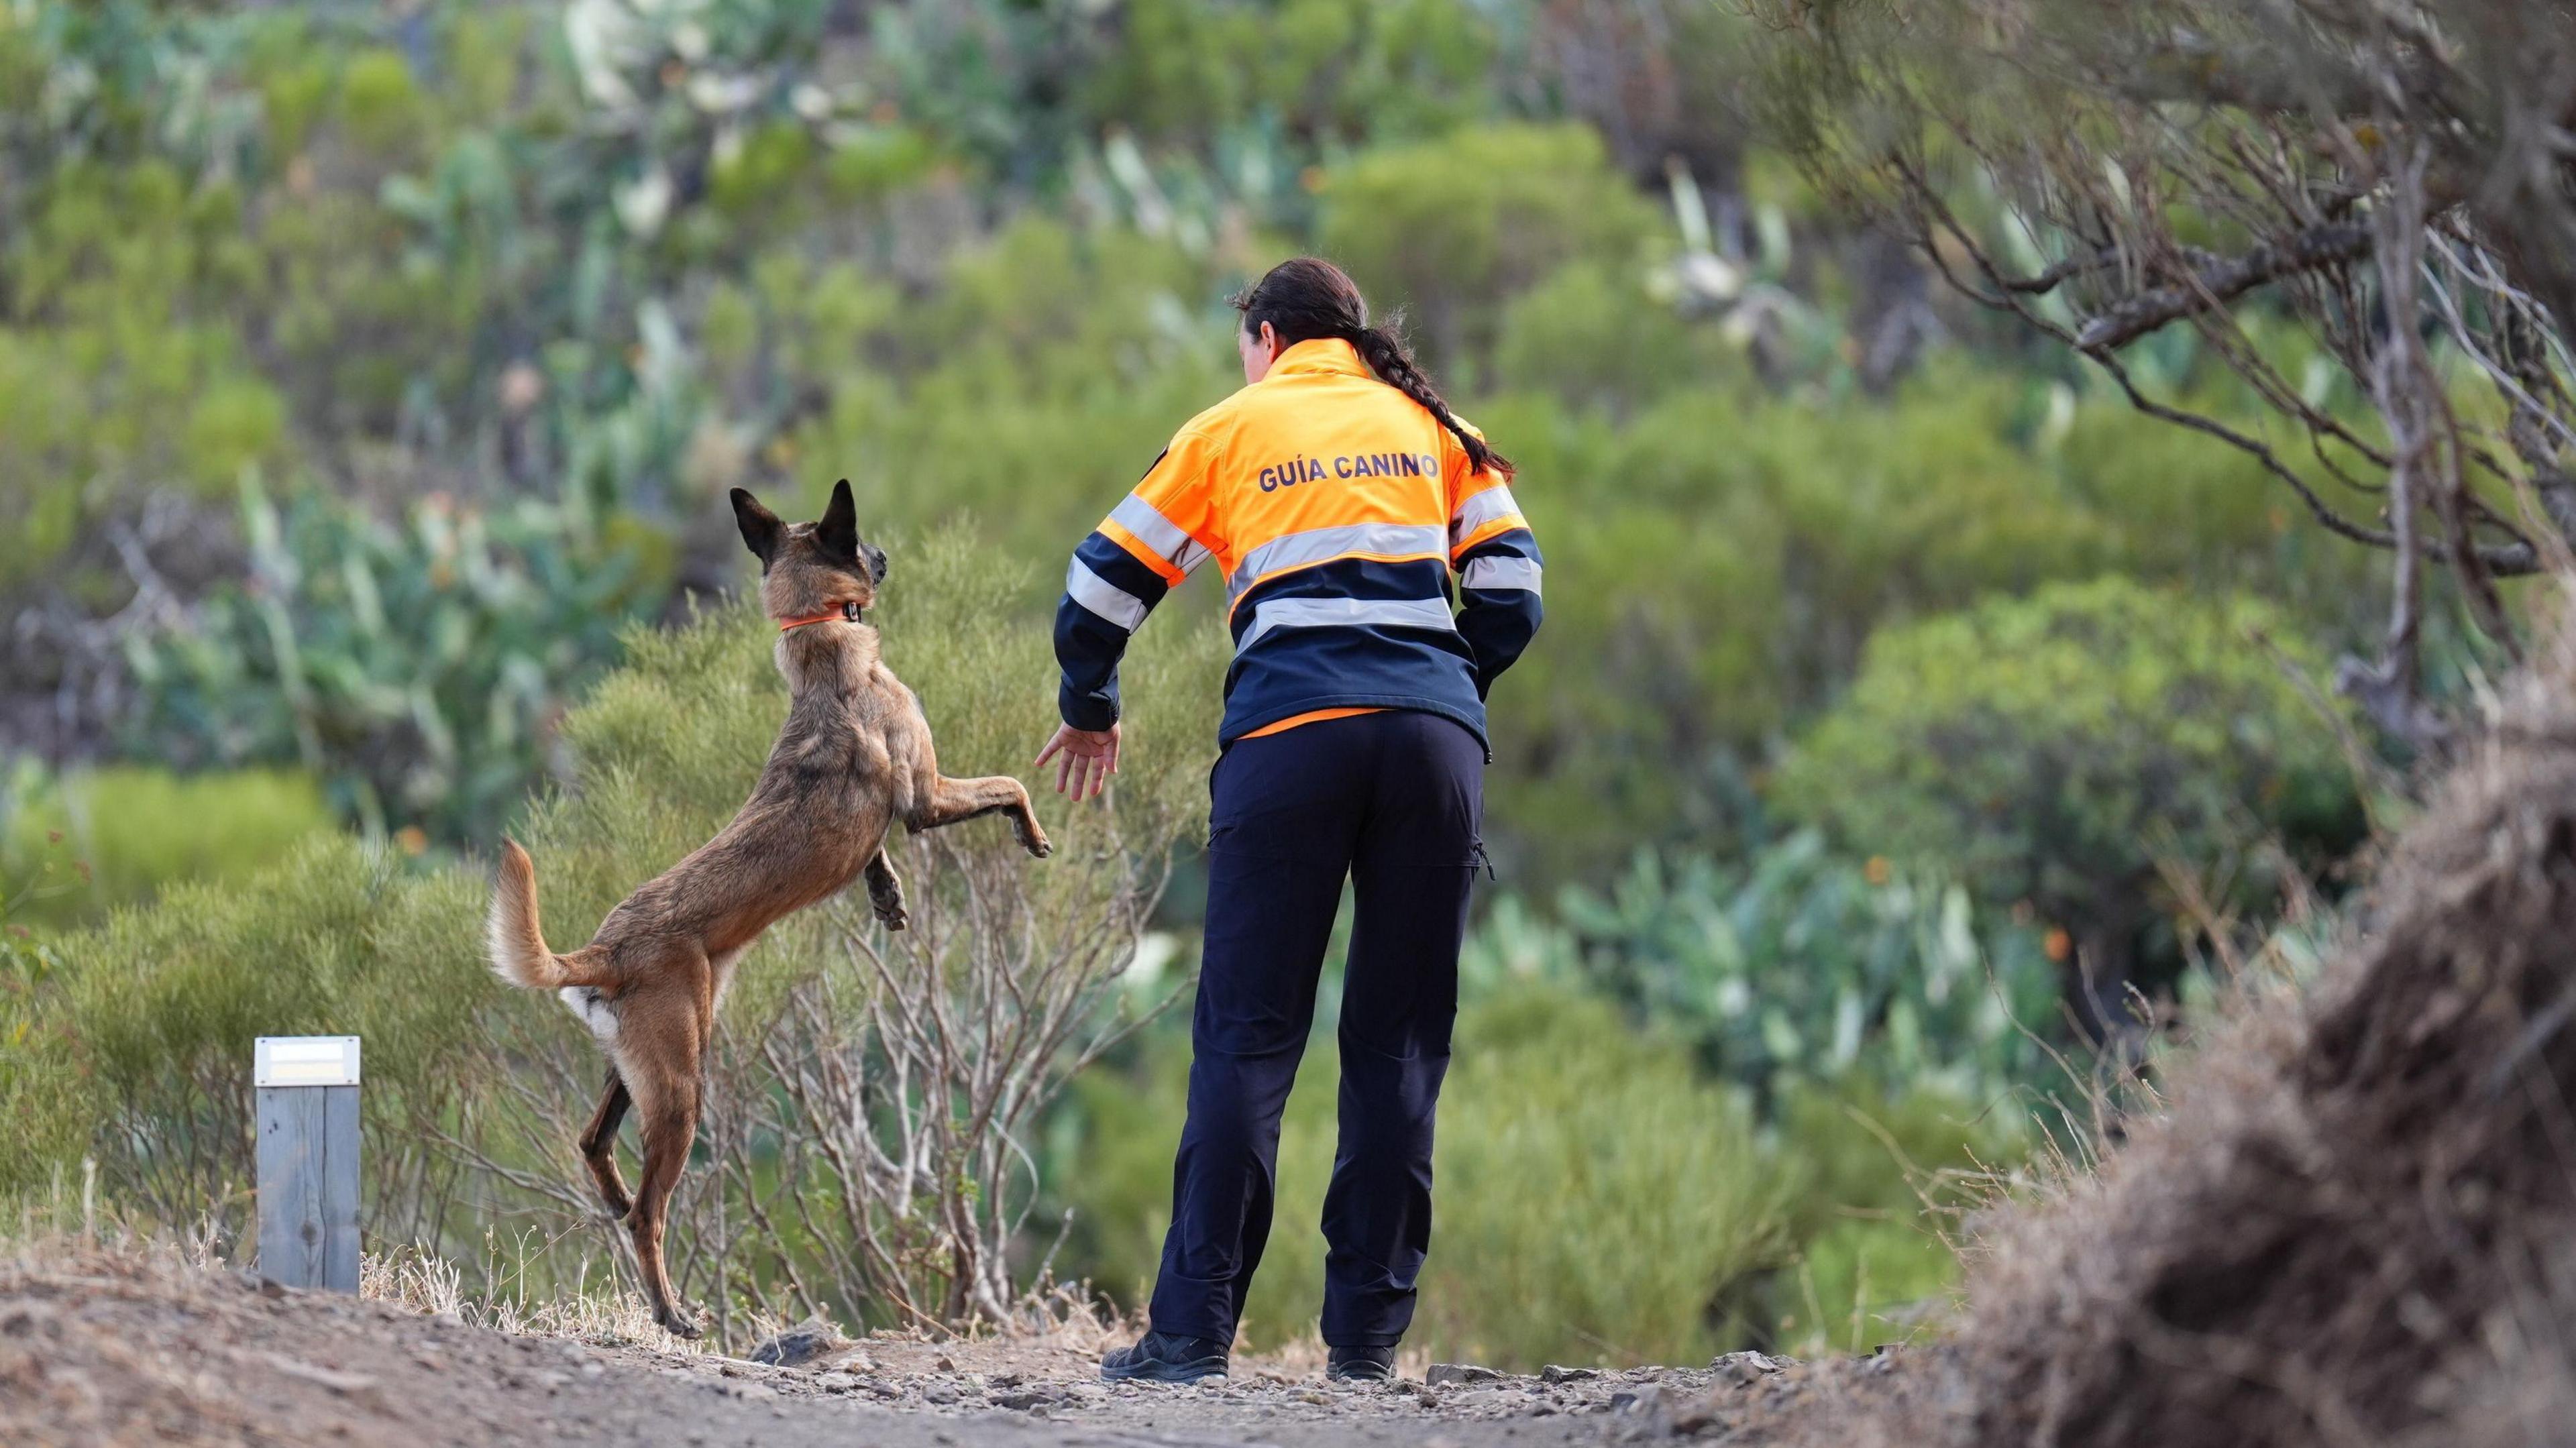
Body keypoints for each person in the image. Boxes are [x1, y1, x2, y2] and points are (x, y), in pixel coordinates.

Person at [1034, 257, 1543, 1384]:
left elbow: (1096, 593)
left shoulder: (1228, 429)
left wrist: (1092, 709)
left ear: (1266, 337)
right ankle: (1364, 1351)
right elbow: (1514, 593)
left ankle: (1190, 1339)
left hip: (1285, 743)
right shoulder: (1438, 427)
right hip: (1433, 747)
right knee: (1400, 1046)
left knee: (1248, 1041)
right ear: (1353, 338)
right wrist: (1444, 698)